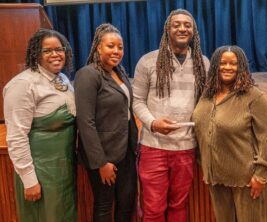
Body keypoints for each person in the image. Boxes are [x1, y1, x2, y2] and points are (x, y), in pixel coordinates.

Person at [132, 9, 209, 222]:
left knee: (178, 207)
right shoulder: (148, 61)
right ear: (168, 29)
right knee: (154, 209)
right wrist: (153, 123)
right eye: (176, 24)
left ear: (193, 31)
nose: (182, 28)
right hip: (153, 146)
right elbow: (136, 101)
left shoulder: (203, 63)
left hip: (186, 147)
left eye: (187, 25)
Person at [192, 45, 267, 222]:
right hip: (215, 176)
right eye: (222, 63)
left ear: (242, 67)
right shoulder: (207, 95)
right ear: (215, 66)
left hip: (246, 178)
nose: (228, 67)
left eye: (234, 63)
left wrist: (261, 176)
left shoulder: (254, 96)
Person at [3, 29, 76, 222]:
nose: (55, 54)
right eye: (47, 50)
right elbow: (16, 136)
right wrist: (29, 180)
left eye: (59, 49)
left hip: (63, 168)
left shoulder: (63, 79)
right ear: (36, 53)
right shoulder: (23, 84)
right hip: (41, 171)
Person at [75, 23, 138, 222]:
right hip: (103, 155)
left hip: (126, 152)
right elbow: (86, 122)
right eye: (111, 46)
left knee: (126, 203)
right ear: (98, 47)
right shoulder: (88, 74)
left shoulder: (119, 72)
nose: (116, 51)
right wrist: (101, 163)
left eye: (120, 47)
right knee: (104, 205)